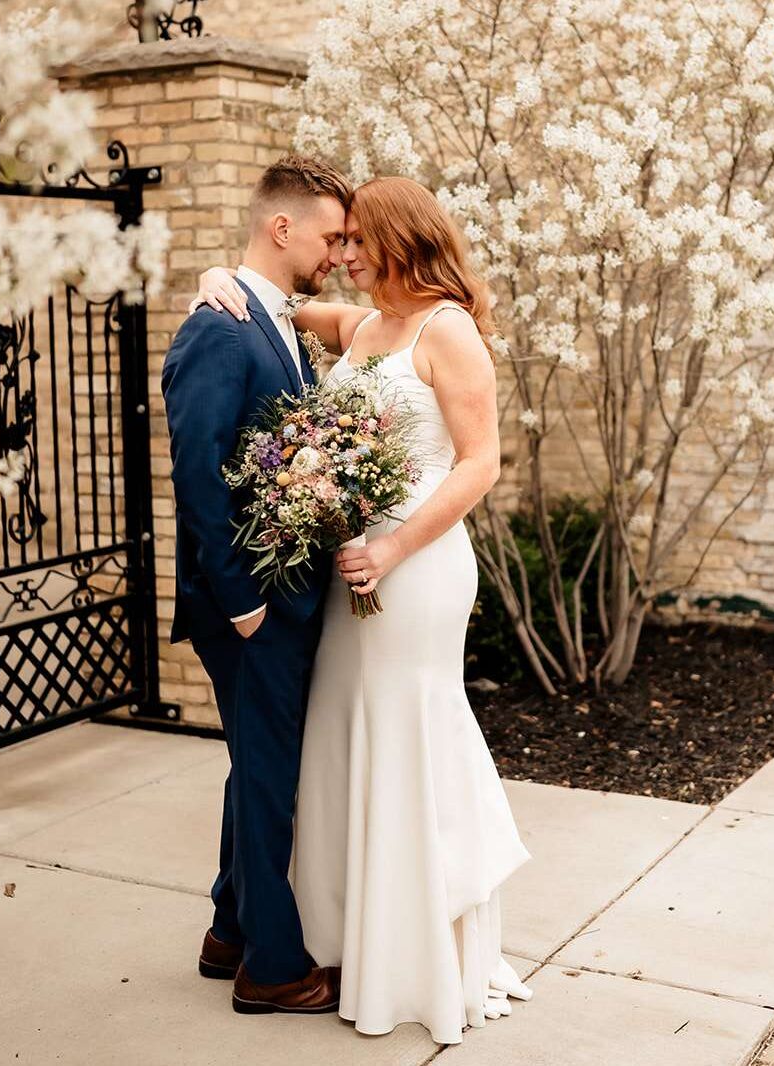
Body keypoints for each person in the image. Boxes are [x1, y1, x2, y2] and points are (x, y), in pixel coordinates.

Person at [191, 174, 534, 1044]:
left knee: (401, 728)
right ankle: (346, 935)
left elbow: (479, 463)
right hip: (346, 570)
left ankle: (414, 945)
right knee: (341, 736)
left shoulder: (447, 329)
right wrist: (211, 281)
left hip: (412, 567)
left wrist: (391, 546)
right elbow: (267, 307)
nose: (343, 256)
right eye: (336, 242)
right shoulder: (364, 324)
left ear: (396, 240)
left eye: (357, 242)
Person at [161, 155, 352, 1015]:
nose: (339, 253)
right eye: (330, 235)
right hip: (248, 602)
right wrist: (243, 601)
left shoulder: (275, 320)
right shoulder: (218, 329)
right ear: (283, 229)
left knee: (257, 766)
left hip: (283, 593)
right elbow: (197, 473)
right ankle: (271, 967)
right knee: (271, 775)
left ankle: (228, 928)